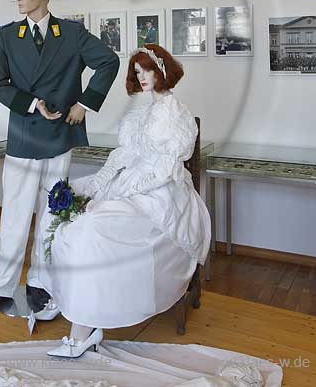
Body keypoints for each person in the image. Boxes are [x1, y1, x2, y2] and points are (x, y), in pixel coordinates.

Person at [0, 0, 120, 318]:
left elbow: (109, 62)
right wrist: (34, 103)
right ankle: (0, 286)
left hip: (58, 138)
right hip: (24, 134)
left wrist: (83, 104)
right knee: (15, 213)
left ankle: (40, 282)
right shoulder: (7, 36)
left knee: (53, 213)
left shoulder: (71, 33)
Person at [39, 44, 211, 358]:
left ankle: (84, 327)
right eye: (137, 71)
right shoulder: (142, 111)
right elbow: (123, 155)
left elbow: (165, 169)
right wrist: (97, 184)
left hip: (161, 190)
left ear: (162, 70)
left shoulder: (176, 113)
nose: (142, 76)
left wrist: (122, 193)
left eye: (146, 69)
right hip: (130, 180)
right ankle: (67, 301)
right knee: (67, 202)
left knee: (94, 226)